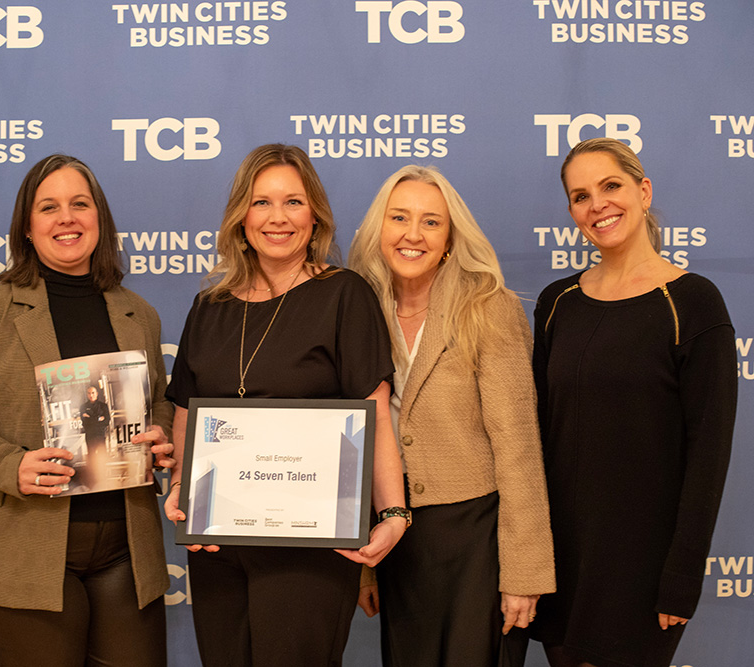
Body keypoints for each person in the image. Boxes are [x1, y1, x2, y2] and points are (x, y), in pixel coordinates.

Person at [163, 143, 408, 666]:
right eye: (262, 202)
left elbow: (376, 418)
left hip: (310, 549)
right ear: (241, 216)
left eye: (293, 202)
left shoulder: (344, 295)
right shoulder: (209, 307)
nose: (278, 218)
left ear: (314, 215)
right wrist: (182, 489)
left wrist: (393, 513)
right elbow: (186, 417)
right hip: (218, 547)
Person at [0, 154, 174, 667]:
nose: (67, 218)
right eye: (49, 207)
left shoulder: (139, 314)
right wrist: (11, 465)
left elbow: (158, 403)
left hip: (126, 550)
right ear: (27, 226)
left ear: (99, 218)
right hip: (19, 549)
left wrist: (160, 434)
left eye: (80, 204)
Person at [531, 138, 737, 667]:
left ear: (643, 192)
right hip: (562, 558)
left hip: (643, 567)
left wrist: (682, 575)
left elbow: (708, 454)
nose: (597, 204)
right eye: (580, 196)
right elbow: (537, 439)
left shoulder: (693, 302)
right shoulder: (558, 303)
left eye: (611, 186)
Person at [348, 165, 555, 666]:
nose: (413, 234)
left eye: (431, 222)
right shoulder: (359, 311)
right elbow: (356, 443)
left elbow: (519, 448)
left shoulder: (488, 308)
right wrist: (365, 566)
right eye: (399, 217)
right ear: (379, 228)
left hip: (478, 538)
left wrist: (524, 573)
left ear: (449, 238)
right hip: (396, 536)